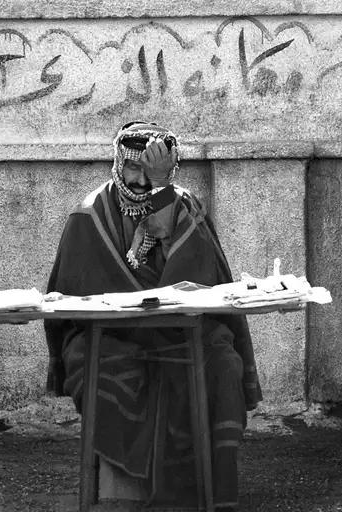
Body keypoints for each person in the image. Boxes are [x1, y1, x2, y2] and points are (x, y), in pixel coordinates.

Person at [44, 121, 262, 509]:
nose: (142, 181)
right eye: (135, 168)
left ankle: (210, 496)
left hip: (183, 333)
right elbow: (68, 304)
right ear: (118, 163)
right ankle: (127, 496)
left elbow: (196, 280)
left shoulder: (184, 205)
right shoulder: (88, 217)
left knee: (222, 365)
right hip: (109, 339)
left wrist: (164, 195)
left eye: (155, 172)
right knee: (109, 376)